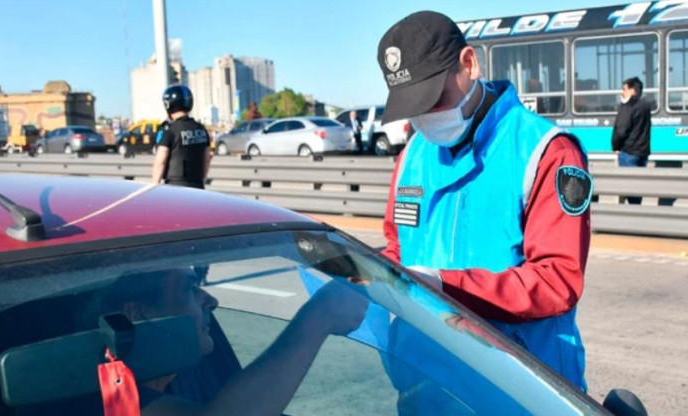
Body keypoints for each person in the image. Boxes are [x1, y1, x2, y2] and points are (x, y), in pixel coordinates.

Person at [378, 11, 591, 392]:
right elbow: (399, 247)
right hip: (425, 382)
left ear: (469, 64)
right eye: (414, 106)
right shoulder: (412, 154)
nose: (426, 117)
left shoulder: (545, 151)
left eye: (434, 98)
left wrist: (449, 287)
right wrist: (363, 271)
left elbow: (557, 279)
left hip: (518, 387)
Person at [99, 267, 368, 416]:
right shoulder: (96, 396)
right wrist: (320, 316)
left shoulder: (195, 369)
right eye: (190, 290)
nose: (212, 301)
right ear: (138, 313)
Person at [151, 84, 212, 189]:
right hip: (198, 186)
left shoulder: (170, 131)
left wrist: (153, 185)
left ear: (168, 104)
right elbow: (207, 158)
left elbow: (160, 162)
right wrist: (201, 179)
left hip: (175, 189)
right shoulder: (201, 129)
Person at [612, 76, 651, 205]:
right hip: (643, 153)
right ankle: (637, 211)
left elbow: (621, 130)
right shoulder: (645, 106)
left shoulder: (628, 106)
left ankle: (631, 216)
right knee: (638, 186)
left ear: (632, 90)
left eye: (624, 89)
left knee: (628, 187)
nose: (622, 92)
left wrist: (615, 146)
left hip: (628, 152)